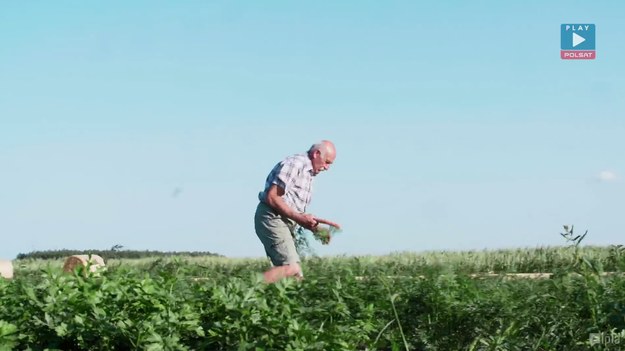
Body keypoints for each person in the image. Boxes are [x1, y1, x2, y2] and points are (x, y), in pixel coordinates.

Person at [254, 140, 337, 283]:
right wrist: (299, 219)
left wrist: (315, 228)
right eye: (327, 162)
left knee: (294, 278)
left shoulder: (308, 174)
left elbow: (291, 206)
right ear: (316, 154)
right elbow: (272, 197)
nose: (327, 167)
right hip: (272, 217)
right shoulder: (295, 164)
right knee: (292, 269)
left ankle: (259, 295)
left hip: (282, 220)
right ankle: (245, 289)